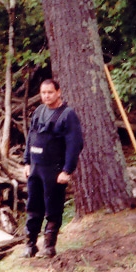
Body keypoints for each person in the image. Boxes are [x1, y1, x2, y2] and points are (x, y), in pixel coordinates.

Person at [23, 79, 84, 257]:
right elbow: (30, 138)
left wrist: (67, 170)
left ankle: (48, 247)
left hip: (54, 170)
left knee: (53, 208)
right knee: (33, 207)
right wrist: (26, 162)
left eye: (50, 92)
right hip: (35, 168)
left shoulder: (68, 114)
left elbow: (75, 144)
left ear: (58, 92)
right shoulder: (38, 111)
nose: (47, 96)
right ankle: (30, 245)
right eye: (43, 93)